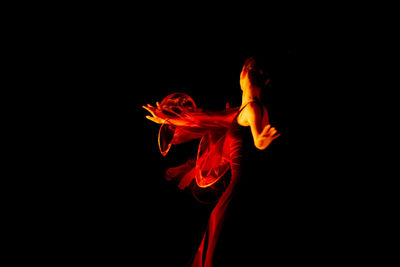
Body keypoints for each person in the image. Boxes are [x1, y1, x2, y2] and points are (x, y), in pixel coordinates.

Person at [143, 57, 280, 267]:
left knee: (218, 231)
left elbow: (258, 140)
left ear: (243, 76)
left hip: (239, 183)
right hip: (238, 182)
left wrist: (262, 140)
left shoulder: (252, 108)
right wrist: (167, 119)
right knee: (216, 228)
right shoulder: (249, 108)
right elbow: (210, 118)